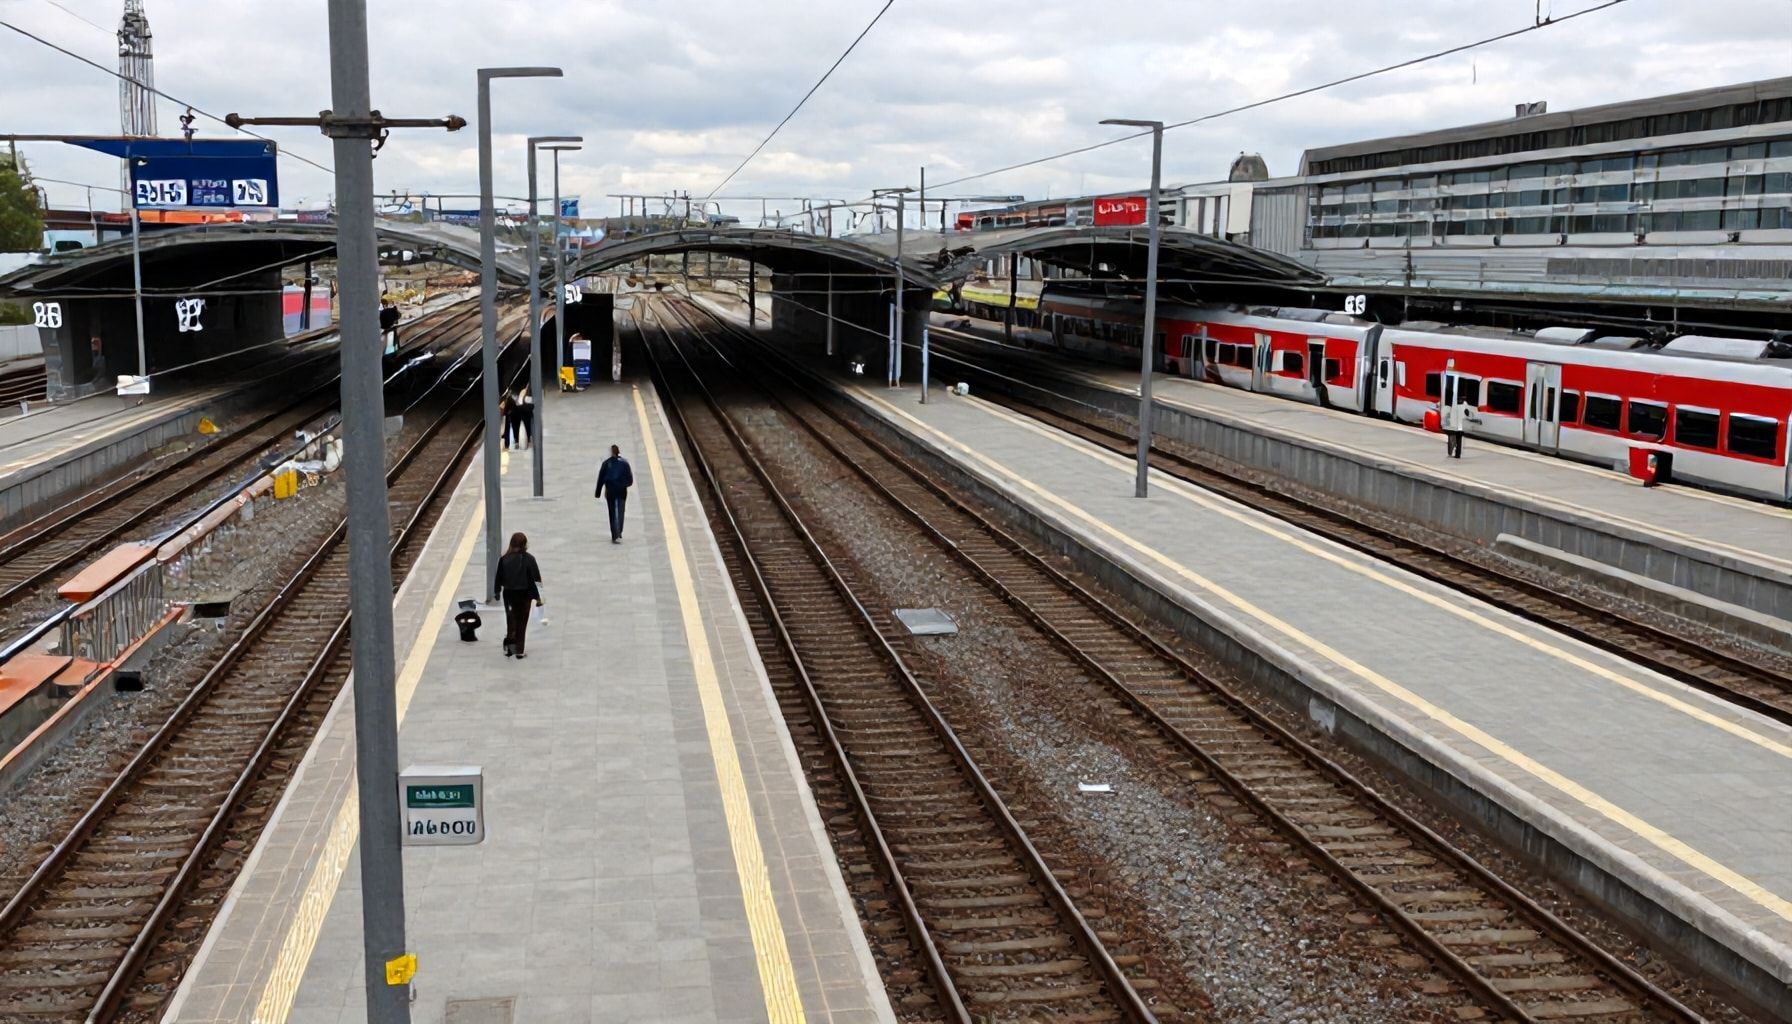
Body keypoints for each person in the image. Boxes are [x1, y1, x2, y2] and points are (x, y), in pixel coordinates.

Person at [495, 531, 542, 658]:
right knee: (522, 623)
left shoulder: (504, 559)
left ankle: (510, 648)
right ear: (525, 545)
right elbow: (536, 579)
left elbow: (498, 577)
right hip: (524, 596)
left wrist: (497, 592)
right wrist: (538, 598)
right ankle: (519, 651)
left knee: (511, 621)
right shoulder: (530, 559)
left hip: (509, 596)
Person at [595, 444, 634, 543]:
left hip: (610, 491)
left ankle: (614, 534)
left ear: (612, 452)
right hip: (621, 491)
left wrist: (598, 492)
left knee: (612, 513)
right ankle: (619, 530)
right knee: (621, 511)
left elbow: (601, 479)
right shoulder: (625, 464)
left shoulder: (606, 463)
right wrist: (624, 484)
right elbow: (630, 480)